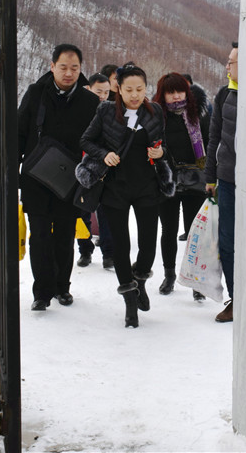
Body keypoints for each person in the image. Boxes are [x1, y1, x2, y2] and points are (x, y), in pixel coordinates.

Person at [80, 64, 175, 327]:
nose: (135, 95)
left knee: (148, 244)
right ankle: (130, 299)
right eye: (129, 89)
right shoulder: (106, 111)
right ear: (117, 89)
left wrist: (161, 153)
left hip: (147, 186)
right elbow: (86, 141)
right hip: (115, 187)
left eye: (140, 89)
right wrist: (104, 154)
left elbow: (164, 145)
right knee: (120, 244)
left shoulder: (154, 111)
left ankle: (140, 279)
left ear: (147, 88)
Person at [18, 44, 100, 311]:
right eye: (63, 67)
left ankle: (62, 288)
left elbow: (98, 140)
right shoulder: (36, 93)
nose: (68, 73)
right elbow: (19, 132)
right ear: (52, 66)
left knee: (65, 233)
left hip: (70, 178)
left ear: (80, 69)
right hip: (36, 178)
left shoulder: (89, 102)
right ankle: (41, 292)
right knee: (39, 234)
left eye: (74, 68)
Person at [152, 73, 210, 296]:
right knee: (168, 230)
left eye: (180, 90)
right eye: (171, 91)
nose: (176, 95)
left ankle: (195, 279)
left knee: (194, 232)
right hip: (167, 180)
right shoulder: (156, 117)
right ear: (163, 94)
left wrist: (210, 176)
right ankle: (169, 275)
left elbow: (209, 144)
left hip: (195, 180)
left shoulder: (198, 114)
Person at [205, 42, 238, 322]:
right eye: (228, 62)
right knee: (227, 243)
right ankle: (235, 298)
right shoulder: (224, 94)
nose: (227, 67)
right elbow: (214, 136)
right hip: (227, 180)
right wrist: (210, 176)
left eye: (232, 62)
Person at [77, 74, 114, 269]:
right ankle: (85, 250)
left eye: (106, 92)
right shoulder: (80, 111)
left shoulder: (112, 111)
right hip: (85, 169)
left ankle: (109, 254)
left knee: (106, 211)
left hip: (106, 169)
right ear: (89, 89)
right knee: (82, 211)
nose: (103, 96)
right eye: (98, 91)